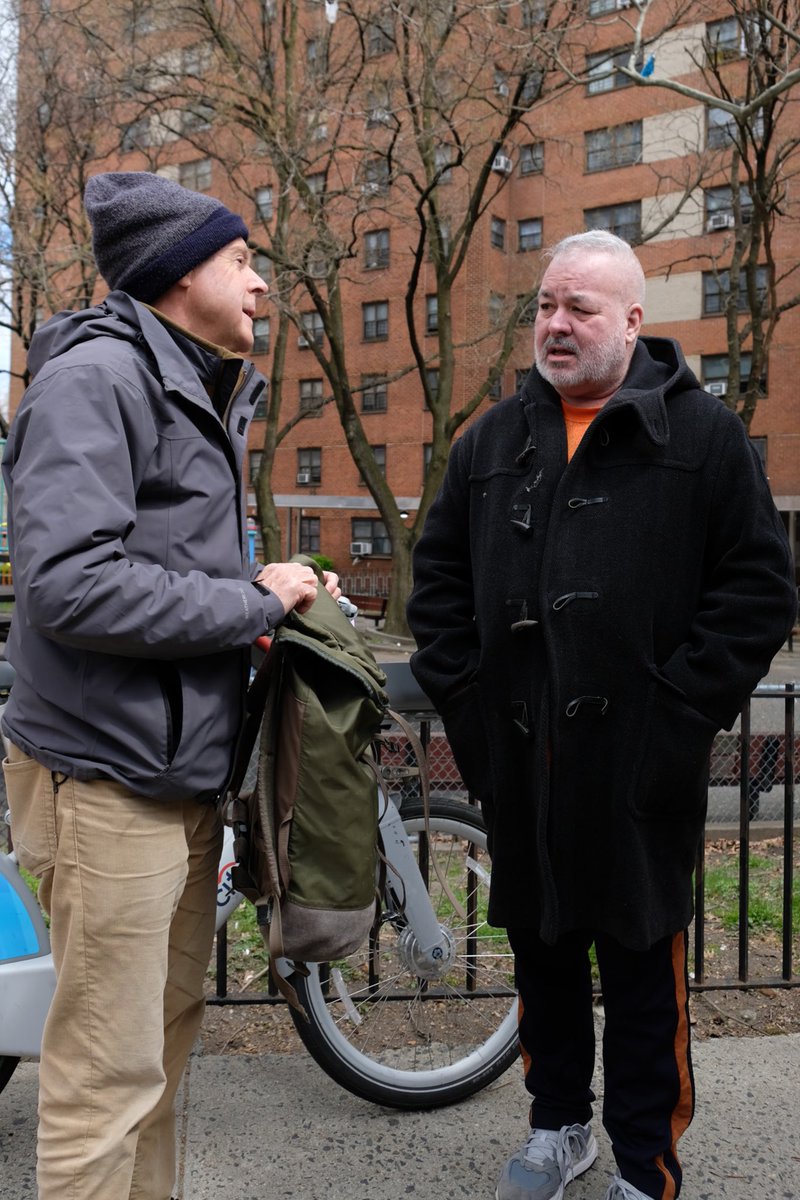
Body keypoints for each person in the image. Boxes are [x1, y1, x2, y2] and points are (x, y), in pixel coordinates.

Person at [407, 230, 797, 1200]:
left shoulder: (700, 437)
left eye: (579, 307)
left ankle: (641, 1165)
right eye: (544, 304)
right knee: (540, 959)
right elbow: (438, 588)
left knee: (636, 976)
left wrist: (674, 720)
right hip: (520, 763)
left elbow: (755, 591)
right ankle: (555, 1129)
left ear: (632, 320)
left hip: (639, 769)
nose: (554, 323)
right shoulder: (491, 440)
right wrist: (469, 712)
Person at [1, 171, 339, 1200]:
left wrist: (270, 605)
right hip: (107, 784)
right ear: (176, 271)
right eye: (242, 260)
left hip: (177, 777)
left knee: (155, 1055)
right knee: (107, 1075)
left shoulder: (193, 382)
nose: (261, 283)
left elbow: (160, 568)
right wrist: (254, 601)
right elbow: (69, 586)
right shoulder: (97, 381)